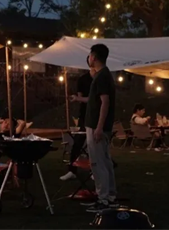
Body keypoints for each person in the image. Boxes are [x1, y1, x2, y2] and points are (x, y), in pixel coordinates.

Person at [85, 44, 117, 212]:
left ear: (95, 57)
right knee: (105, 161)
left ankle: (103, 199)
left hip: (96, 126)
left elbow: (105, 102)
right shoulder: (102, 75)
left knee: (98, 163)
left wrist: (99, 127)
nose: (88, 58)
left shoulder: (102, 77)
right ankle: (110, 196)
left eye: (90, 55)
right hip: (98, 125)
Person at [60, 58, 94, 181]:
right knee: (78, 142)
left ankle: (94, 171)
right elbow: (81, 98)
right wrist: (78, 98)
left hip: (98, 115)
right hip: (85, 115)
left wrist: (80, 98)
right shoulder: (83, 79)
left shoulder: (101, 79)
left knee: (94, 144)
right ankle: (72, 170)